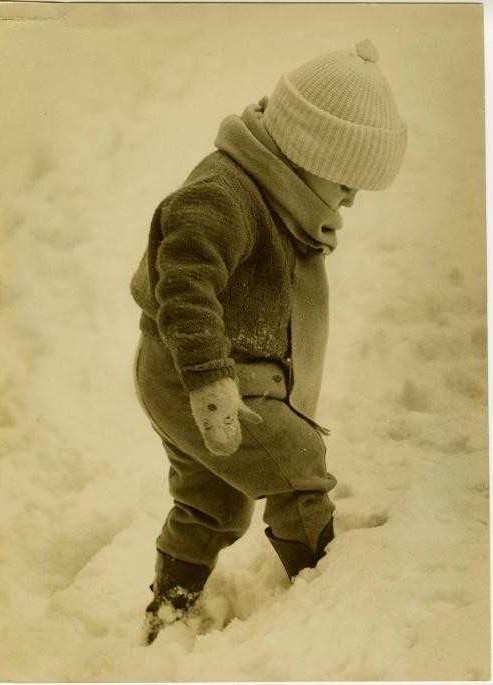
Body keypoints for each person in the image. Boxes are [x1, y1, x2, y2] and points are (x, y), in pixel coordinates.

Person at [130, 38, 407, 644]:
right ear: (310, 151)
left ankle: (171, 606)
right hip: (197, 376)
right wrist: (208, 383)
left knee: (215, 499)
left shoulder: (269, 185)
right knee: (296, 463)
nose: (351, 199)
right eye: (345, 181)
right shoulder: (223, 195)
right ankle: (328, 581)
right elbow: (183, 279)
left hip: (201, 373)